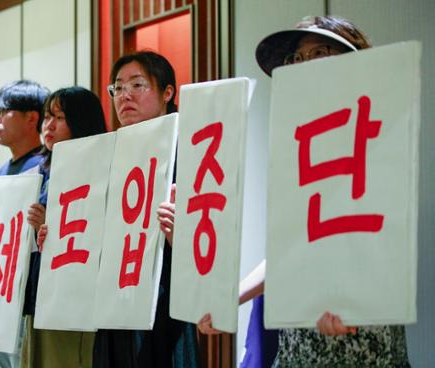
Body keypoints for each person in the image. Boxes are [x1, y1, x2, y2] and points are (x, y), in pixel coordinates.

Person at [197, 16, 410, 367]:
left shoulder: (378, 135)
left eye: (320, 52)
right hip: (299, 342)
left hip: (361, 340)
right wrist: (230, 298)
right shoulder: (302, 150)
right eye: (296, 59)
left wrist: (359, 300)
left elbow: (387, 241)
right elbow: (289, 249)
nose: (304, 66)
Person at [90, 50, 200, 368]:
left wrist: (180, 234)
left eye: (137, 85)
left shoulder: (190, 149)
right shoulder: (108, 153)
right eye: (118, 88)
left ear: (167, 92)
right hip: (115, 295)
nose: (125, 95)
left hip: (166, 298)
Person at [22, 86, 107, 367]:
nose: (48, 125)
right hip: (38, 291)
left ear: (81, 121)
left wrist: (50, 226)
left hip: (72, 295)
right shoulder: (39, 171)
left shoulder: (98, 170)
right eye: (47, 117)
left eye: (59, 117)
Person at [0, 79, 50, 368]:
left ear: (32, 118)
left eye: (4, 111)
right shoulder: (5, 167)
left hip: (25, 293)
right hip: (1, 288)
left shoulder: (44, 164)